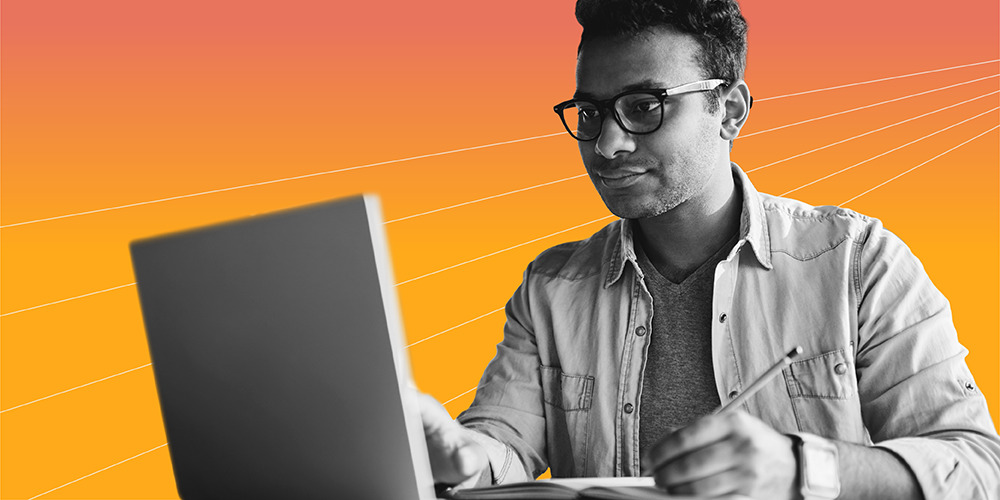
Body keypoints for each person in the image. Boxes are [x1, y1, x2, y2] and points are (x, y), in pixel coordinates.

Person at [418, 0, 1000, 498]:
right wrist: (455, 455)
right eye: (591, 113)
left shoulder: (858, 262)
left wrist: (801, 468)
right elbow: (502, 449)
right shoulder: (550, 289)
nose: (608, 144)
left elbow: (978, 468)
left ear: (731, 111)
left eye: (644, 107)